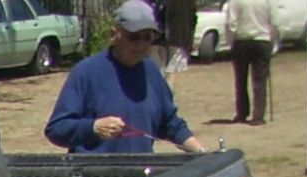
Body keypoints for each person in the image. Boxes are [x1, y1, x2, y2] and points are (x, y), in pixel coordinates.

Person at [44, 0, 207, 154]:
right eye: (134, 37)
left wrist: (200, 152)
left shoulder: (150, 71)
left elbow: (170, 124)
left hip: (140, 175)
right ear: (114, 34)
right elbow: (57, 129)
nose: (141, 45)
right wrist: (93, 127)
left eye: (147, 37)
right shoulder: (87, 72)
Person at [224, 0, 277, 125]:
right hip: (262, 40)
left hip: (241, 41)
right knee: (260, 80)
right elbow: (274, 22)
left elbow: (231, 23)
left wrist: (230, 42)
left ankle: (242, 113)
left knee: (241, 79)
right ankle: (258, 116)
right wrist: (272, 42)